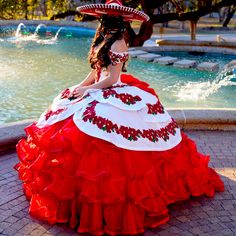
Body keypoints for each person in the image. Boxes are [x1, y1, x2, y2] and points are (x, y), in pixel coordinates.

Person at [14, 0, 225, 235]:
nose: (107, 24)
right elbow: (95, 71)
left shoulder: (120, 43)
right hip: (97, 87)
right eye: (105, 20)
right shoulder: (103, 40)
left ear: (119, 23)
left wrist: (89, 90)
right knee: (68, 123)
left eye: (111, 21)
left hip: (111, 90)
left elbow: (112, 80)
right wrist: (80, 86)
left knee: (106, 139)